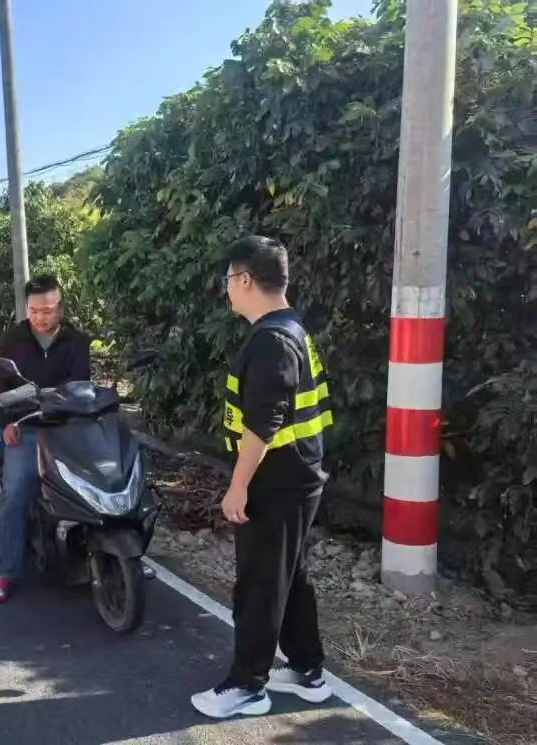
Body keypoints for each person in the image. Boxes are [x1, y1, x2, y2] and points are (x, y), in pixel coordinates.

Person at [191, 236, 335, 719]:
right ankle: (308, 671)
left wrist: (238, 485)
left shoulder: (271, 339)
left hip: (277, 480)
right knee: (289, 575)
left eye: (229, 280)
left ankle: (248, 686)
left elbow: (264, 424)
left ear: (246, 280)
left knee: (259, 583)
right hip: (298, 475)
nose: (227, 289)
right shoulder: (291, 328)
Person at [0, 274, 91, 603]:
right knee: (15, 492)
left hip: (67, 427)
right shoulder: (13, 339)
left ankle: (119, 554)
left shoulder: (76, 341)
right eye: (34, 310)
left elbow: (81, 386)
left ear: (60, 307)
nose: (41, 317)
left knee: (98, 481)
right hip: (26, 426)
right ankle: (4, 571)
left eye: (48, 310)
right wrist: (8, 422)